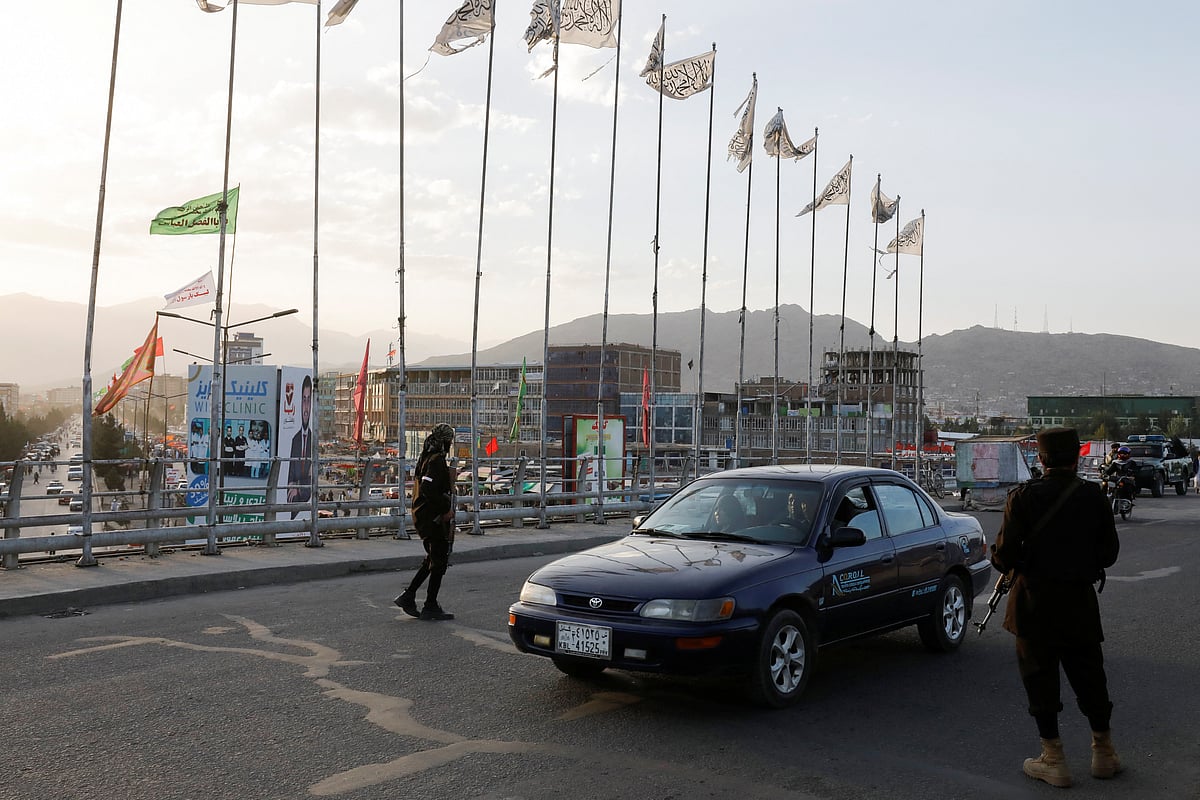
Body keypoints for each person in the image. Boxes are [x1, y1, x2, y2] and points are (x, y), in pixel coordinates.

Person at [990, 427, 1122, 788]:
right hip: (1078, 603)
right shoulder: (1093, 496)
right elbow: (1109, 554)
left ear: (1042, 459)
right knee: (1091, 679)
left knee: (1040, 681)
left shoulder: (1023, 497)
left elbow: (1004, 558)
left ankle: (1054, 759)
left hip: (1033, 606)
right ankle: (1104, 753)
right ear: (1077, 457)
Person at [394, 423, 457, 621]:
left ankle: (409, 595)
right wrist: (445, 509)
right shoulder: (436, 460)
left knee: (433, 559)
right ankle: (429, 604)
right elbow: (430, 490)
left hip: (424, 516)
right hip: (431, 518)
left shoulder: (426, 457)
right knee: (439, 561)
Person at [286, 376, 314, 515]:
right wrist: (298, 483)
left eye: (309, 400)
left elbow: (311, 484)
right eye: (304, 400)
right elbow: (289, 479)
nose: (306, 407)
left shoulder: (313, 441)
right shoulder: (294, 440)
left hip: (301, 509)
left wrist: (297, 486)